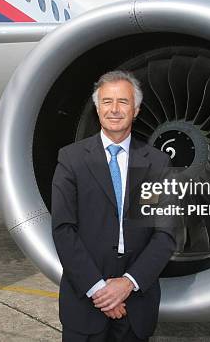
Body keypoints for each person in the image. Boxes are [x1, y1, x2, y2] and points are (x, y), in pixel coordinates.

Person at [51, 70, 177, 341]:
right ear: (97, 109)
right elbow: (63, 230)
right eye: (107, 102)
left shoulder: (157, 164)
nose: (115, 109)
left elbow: (165, 234)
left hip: (137, 305)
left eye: (124, 102)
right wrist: (100, 290)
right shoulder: (71, 160)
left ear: (136, 109)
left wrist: (127, 284)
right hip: (85, 301)